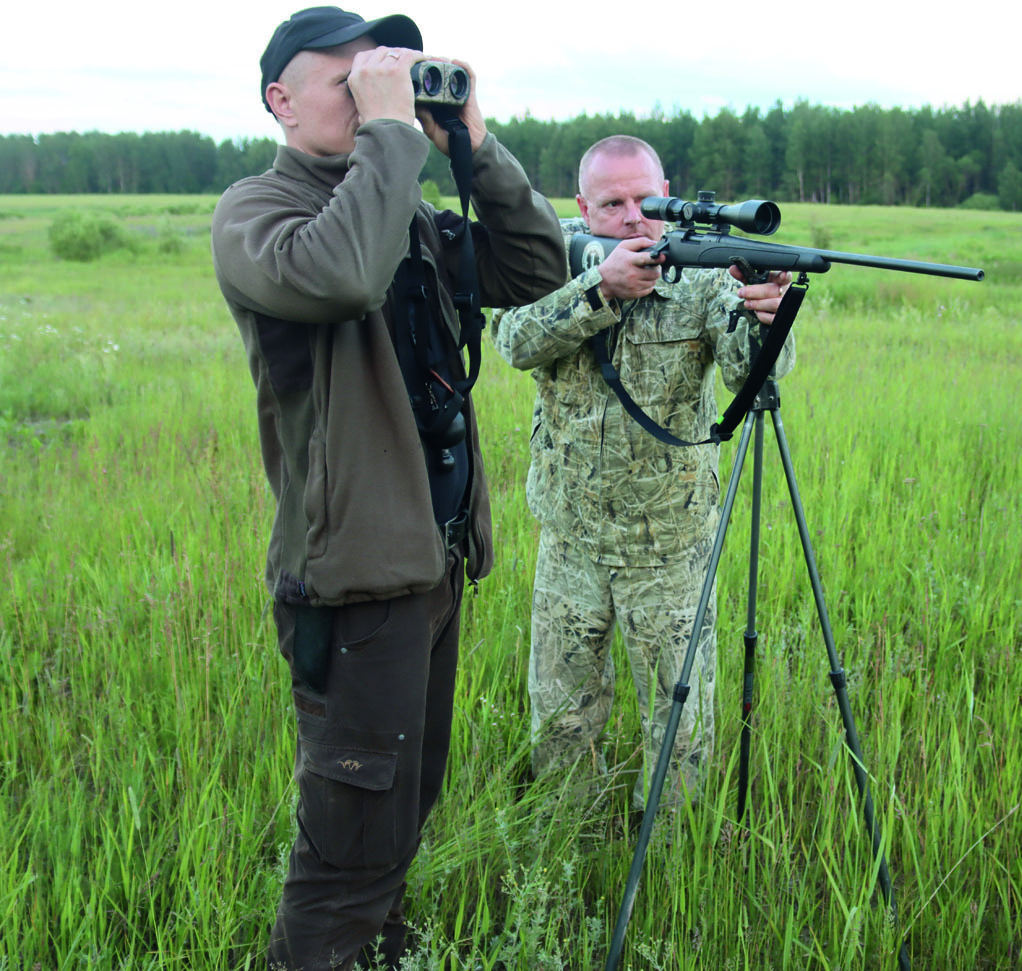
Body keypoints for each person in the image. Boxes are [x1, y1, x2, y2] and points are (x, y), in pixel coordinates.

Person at [210, 8, 566, 969]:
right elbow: (340, 277)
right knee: (345, 867)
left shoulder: (401, 206)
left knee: (398, 828)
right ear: (281, 101)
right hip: (356, 584)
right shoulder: (258, 213)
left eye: (388, 74)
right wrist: (393, 140)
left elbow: (536, 272)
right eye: (351, 76)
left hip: (430, 565)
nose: (378, 91)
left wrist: (475, 147)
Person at [490, 135, 795, 811]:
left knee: (679, 729)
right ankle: (565, 848)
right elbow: (512, 339)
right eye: (614, 203)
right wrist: (600, 288)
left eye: (648, 200)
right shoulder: (549, 257)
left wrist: (768, 317)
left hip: (670, 548)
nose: (634, 217)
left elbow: (755, 379)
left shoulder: (707, 277)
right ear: (582, 207)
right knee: (562, 718)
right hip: (570, 537)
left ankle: (667, 861)